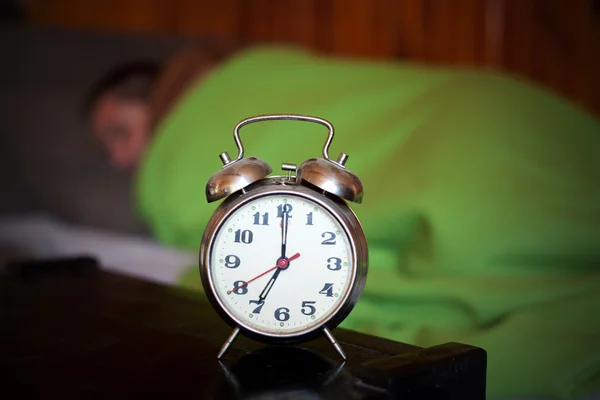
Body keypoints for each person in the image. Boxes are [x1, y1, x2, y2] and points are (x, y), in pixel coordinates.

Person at [86, 44, 600, 399]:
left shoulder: (210, 105)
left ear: (153, 99)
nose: (117, 160)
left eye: (119, 133)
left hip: (462, 125)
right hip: (489, 100)